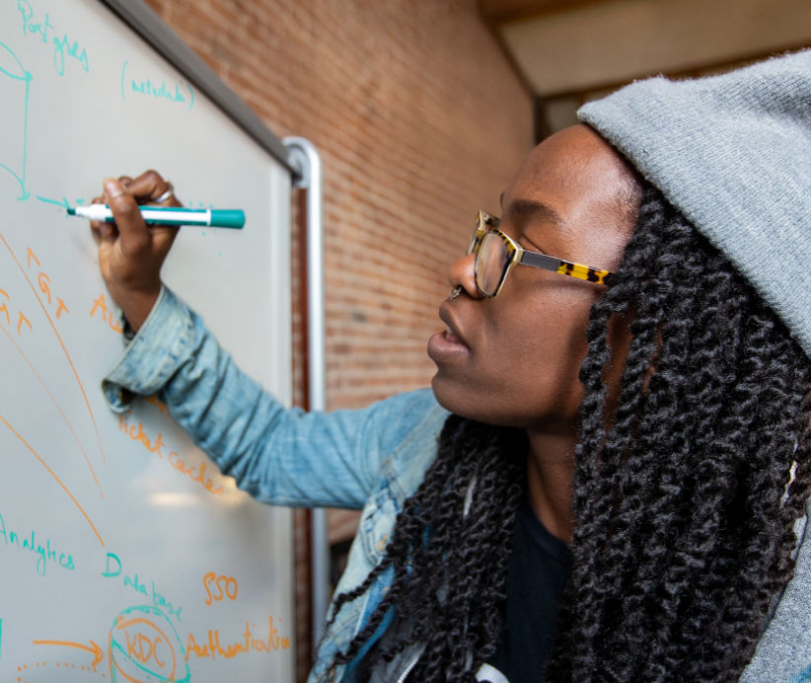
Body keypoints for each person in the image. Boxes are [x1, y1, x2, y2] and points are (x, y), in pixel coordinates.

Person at [90, 50, 811, 683]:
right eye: (489, 229)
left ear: (655, 333)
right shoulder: (428, 442)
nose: (465, 267)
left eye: (521, 245)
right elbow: (271, 448)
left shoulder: (772, 608)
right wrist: (143, 295)